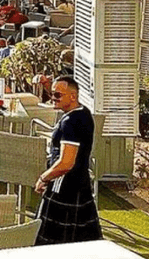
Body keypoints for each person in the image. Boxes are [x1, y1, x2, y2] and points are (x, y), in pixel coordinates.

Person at [35, 76, 101, 245]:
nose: (53, 98)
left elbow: (66, 162)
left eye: (58, 95)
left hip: (63, 186)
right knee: (84, 240)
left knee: (48, 241)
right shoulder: (84, 113)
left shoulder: (71, 122)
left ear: (73, 96)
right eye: (52, 94)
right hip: (81, 183)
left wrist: (44, 178)